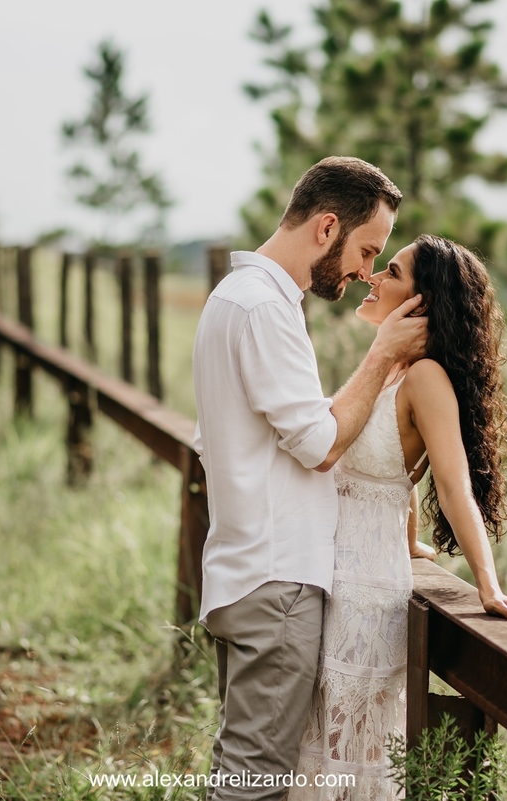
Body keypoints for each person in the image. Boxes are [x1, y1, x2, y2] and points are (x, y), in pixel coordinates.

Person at [192, 156, 428, 800]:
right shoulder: (264, 309)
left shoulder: (232, 298)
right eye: (367, 250)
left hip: (244, 569)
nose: (367, 272)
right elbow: (320, 446)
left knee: (242, 768)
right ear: (327, 227)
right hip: (277, 583)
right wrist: (383, 355)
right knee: (254, 783)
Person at [292, 234, 507, 800]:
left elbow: (451, 486)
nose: (373, 277)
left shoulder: (426, 378)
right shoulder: (387, 369)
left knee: (353, 756)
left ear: (421, 303)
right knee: (316, 748)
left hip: (362, 595)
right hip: (326, 577)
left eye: (393, 272)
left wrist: (488, 585)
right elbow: (389, 477)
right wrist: (409, 542)